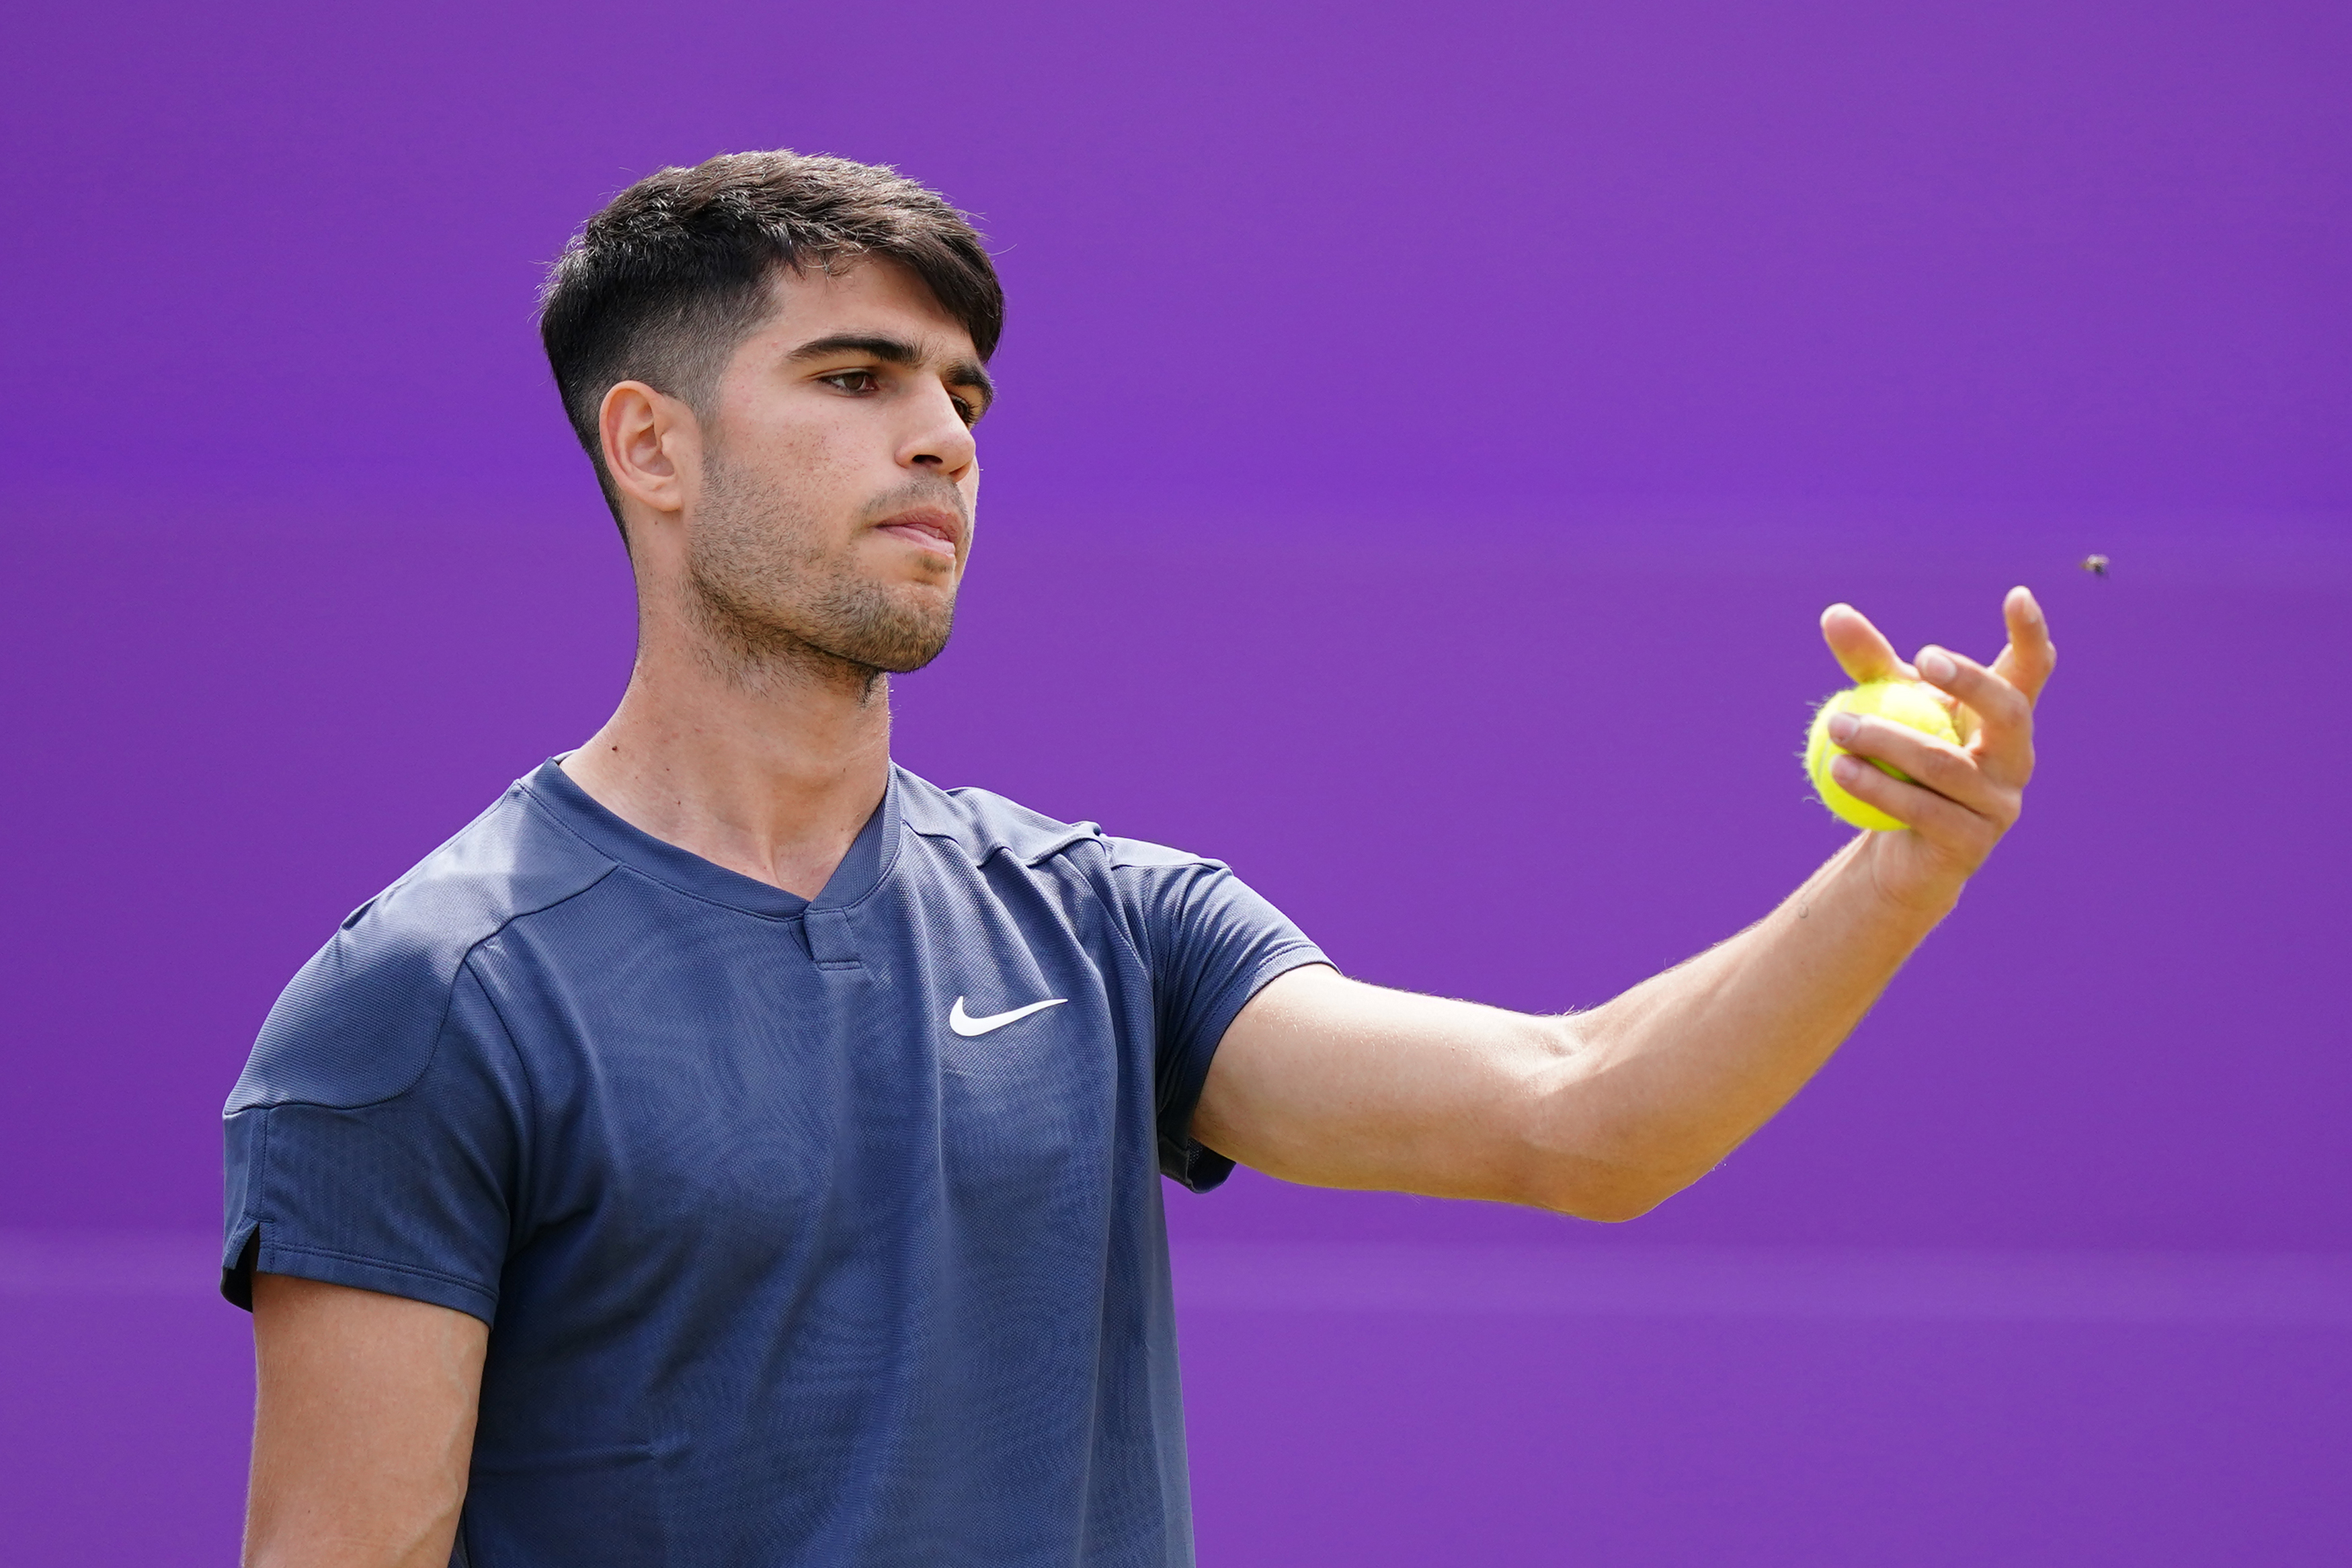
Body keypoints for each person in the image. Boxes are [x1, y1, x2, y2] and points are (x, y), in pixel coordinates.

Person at [223, 151, 2056, 1568]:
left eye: (963, 394)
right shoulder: (431, 997)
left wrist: (1901, 872)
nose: (939, 436)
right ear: (654, 446)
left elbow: (1580, 1116)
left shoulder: (1109, 926)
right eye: (855, 376)